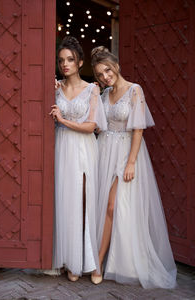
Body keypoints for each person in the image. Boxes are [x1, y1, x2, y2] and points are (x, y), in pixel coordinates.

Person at [90, 46, 177, 289]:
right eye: (99, 74)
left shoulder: (134, 90)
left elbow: (138, 129)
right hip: (104, 150)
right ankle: (99, 258)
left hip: (125, 153)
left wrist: (130, 162)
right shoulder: (104, 94)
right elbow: (99, 126)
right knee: (99, 205)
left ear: (116, 65)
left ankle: (99, 261)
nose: (105, 76)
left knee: (111, 205)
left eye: (107, 70)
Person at [49, 37, 107, 282]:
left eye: (70, 59)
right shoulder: (55, 87)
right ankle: (69, 260)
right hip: (62, 148)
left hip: (84, 148)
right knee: (65, 201)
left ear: (80, 62)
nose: (65, 64)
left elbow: (91, 126)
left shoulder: (92, 88)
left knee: (84, 201)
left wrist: (62, 120)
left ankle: (89, 262)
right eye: (61, 60)